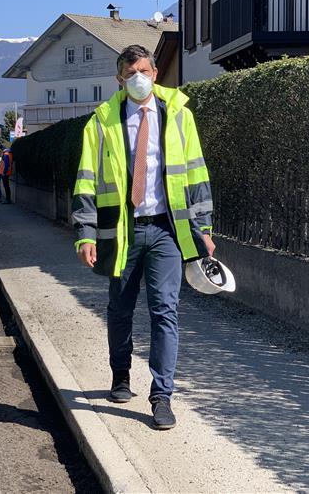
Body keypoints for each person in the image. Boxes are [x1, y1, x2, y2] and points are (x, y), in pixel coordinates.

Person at [72, 44, 214, 430]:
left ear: (155, 73)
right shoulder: (102, 122)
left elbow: (197, 174)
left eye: (145, 70)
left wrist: (204, 229)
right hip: (123, 231)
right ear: (119, 79)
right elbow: (85, 180)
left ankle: (162, 396)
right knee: (119, 309)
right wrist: (85, 233)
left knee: (165, 311)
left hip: (167, 230)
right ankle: (120, 376)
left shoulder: (179, 116)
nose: (139, 77)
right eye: (130, 72)